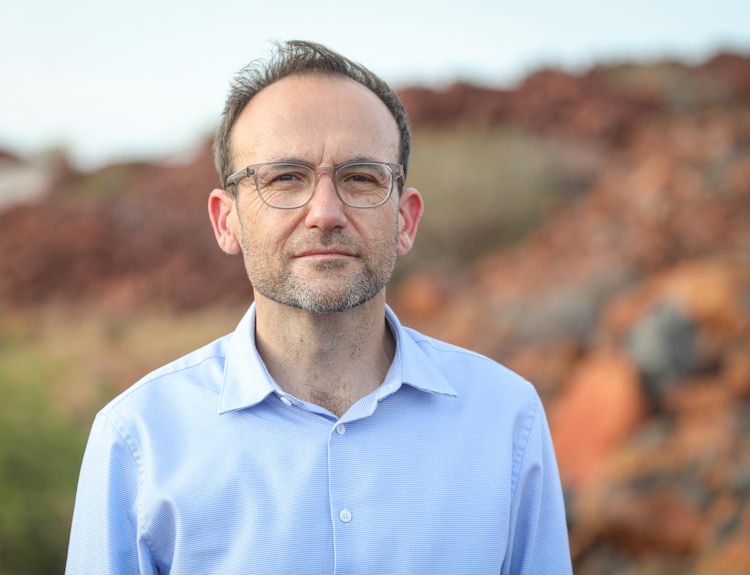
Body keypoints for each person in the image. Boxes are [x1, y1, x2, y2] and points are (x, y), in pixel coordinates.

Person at [65, 40, 572, 574]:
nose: (325, 213)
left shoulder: (506, 418)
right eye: (285, 177)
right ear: (225, 220)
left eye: (360, 177)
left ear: (405, 219)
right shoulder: (138, 438)